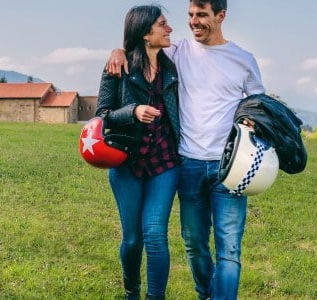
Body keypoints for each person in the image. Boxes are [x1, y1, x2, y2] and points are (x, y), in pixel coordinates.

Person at [106, 0, 266, 299]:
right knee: (194, 243)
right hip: (189, 163)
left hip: (230, 166)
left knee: (229, 249)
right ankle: (205, 293)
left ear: (221, 16)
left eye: (202, 15)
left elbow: (258, 103)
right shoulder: (177, 50)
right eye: (191, 15)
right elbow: (139, 42)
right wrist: (117, 51)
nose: (193, 22)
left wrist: (251, 120)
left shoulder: (244, 59)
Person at [95, 5, 181, 300]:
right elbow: (102, 115)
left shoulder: (173, 68)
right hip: (126, 163)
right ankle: (132, 291)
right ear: (146, 33)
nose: (169, 28)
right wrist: (132, 111)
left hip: (165, 163)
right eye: (163, 24)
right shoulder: (118, 68)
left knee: (155, 235)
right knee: (133, 239)